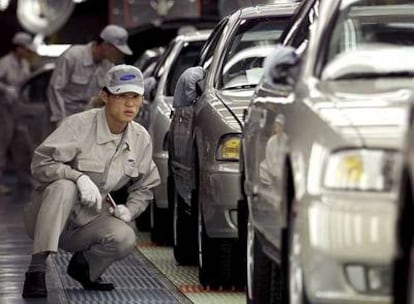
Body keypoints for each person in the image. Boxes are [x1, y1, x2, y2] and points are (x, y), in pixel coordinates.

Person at [22, 64, 160, 298]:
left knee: (125, 237)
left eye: (135, 96)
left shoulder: (140, 138)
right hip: (46, 215)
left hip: (87, 221)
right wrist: (77, 177)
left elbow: (146, 184)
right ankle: (36, 270)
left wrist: (131, 209)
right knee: (64, 186)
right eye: (121, 96)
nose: (130, 104)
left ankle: (84, 268)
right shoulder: (79, 125)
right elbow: (40, 163)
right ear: (105, 96)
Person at [48, 24, 133, 126]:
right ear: (106, 45)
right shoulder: (72, 56)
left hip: (87, 120)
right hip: (65, 115)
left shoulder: (108, 65)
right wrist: (60, 120)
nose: (119, 54)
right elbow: (55, 88)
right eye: (117, 50)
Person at [0, 32, 36, 195]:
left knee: (22, 145)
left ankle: (25, 179)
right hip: (4, 109)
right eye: (26, 49)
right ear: (18, 48)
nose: (29, 53)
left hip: (19, 109)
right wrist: (5, 89)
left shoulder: (24, 64)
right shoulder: (5, 62)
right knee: (2, 145)